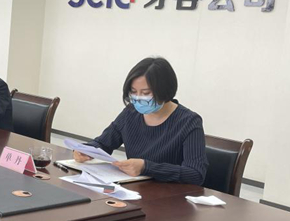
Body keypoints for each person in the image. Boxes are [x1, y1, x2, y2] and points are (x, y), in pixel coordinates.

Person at [73, 56, 208, 185]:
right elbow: (103, 143)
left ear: (165, 90)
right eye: (133, 92)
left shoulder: (189, 122)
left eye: (146, 93)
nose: (138, 98)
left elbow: (195, 174)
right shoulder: (131, 113)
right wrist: (85, 150)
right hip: (135, 189)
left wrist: (146, 167)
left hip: (171, 194)